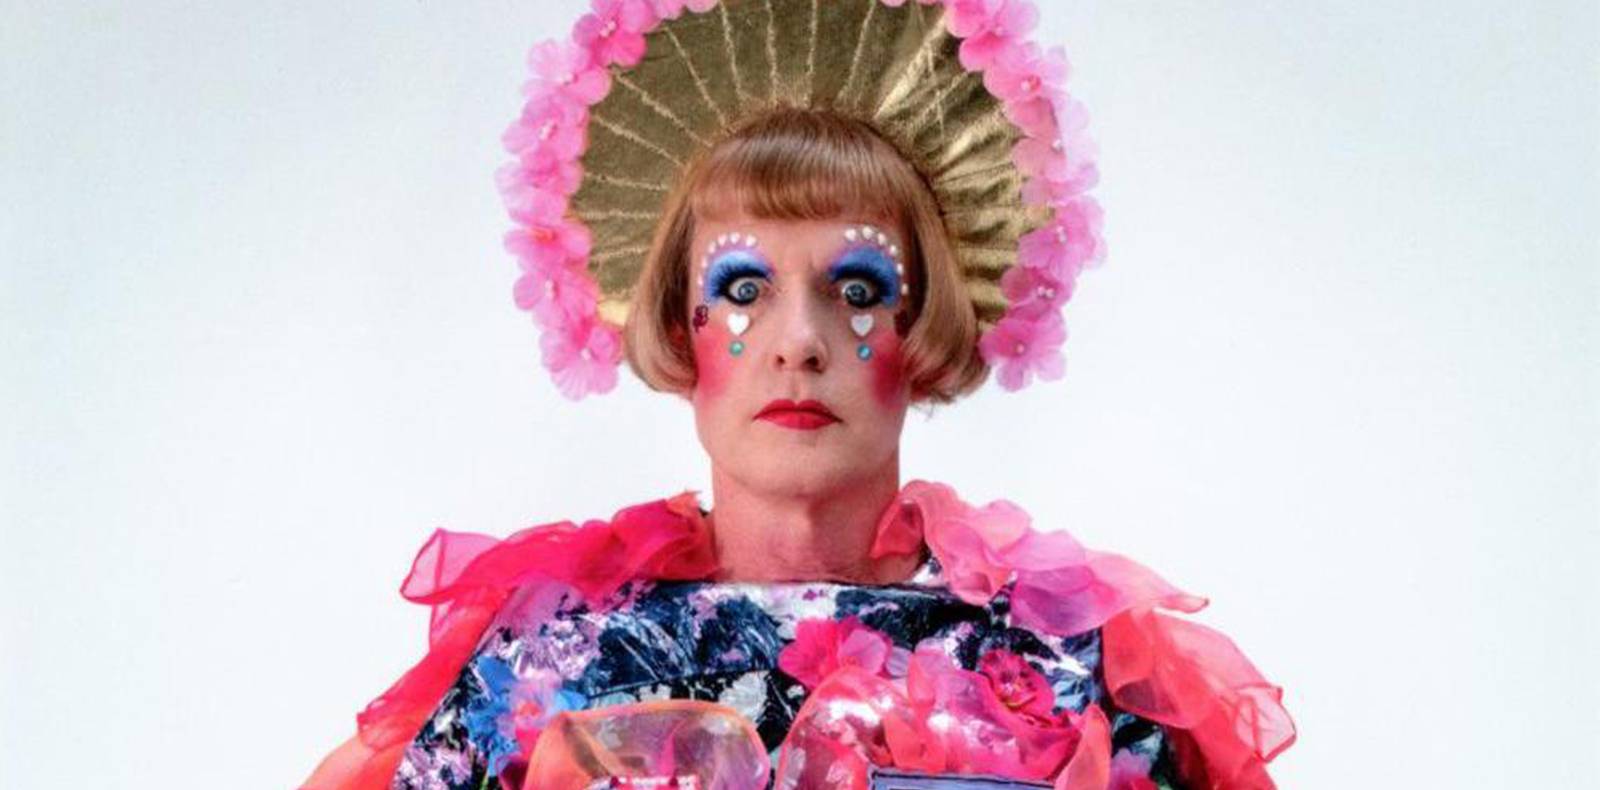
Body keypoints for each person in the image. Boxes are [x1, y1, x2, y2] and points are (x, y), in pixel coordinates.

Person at [303, 2, 1295, 788]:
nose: (799, 343)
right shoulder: (544, 656)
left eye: (857, 290)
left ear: (920, 325)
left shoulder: (1070, 665)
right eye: (743, 289)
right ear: (679, 324)